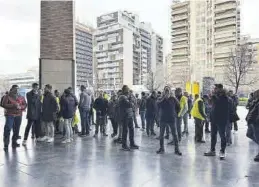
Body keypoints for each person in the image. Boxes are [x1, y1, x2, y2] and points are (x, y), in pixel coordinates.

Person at [204, 84, 230, 160]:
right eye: (214, 88)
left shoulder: (225, 97)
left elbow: (222, 106)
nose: (214, 89)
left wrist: (215, 97)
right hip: (214, 119)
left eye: (216, 88)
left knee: (222, 136)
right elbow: (210, 104)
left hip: (221, 120)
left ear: (220, 89)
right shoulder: (215, 96)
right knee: (213, 135)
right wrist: (210, 98)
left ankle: (222, 151)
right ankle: (212, 151)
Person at [156, 86, 182, 156]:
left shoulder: (173, 98)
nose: (167, 91)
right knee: (161, 135)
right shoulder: (160, 98)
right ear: (164, 91)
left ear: (170, 91)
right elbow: (157, 105)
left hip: (171, 119)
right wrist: (163, 98)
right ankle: (162, 149)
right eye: (165, 90)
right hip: (163, 119)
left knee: (175, 135)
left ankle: (177, 149)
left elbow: (179, 106)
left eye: (168, 90)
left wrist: (175, 114)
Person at [2, 85, 27, 151]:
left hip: (19, 115)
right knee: (8, 129)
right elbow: (3, 104)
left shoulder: (21, 96)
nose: (16, 90)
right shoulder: (7, 96)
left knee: (17, 130)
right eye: (15, 89)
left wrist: (21, 107)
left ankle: (14, 142)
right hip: (10, 115)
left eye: (18, 89)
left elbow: (25, 104)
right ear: (12, 89)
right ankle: (6, 144)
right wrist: (13, 105)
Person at [119, 85, 139, 151]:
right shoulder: (122, 97)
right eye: (127, 89)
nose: (128, 90)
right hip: (125, 116)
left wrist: (132, 101)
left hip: (129, 115)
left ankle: (132, 144)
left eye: (128, 89)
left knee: (131, 130)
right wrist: (131, 101)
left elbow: (134, 103)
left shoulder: (128, 96)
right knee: (125, 130)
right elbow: (129, 104)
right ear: (124, 90)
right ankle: (124, 145)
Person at [245, 90, 259, 162]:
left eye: (256, 93)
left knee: (257, 136)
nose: (254, 94)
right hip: (252, 122)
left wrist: (255, 121)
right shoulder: (255, 101)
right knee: (249, 134)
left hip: (256, 123)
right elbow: (251, 110)